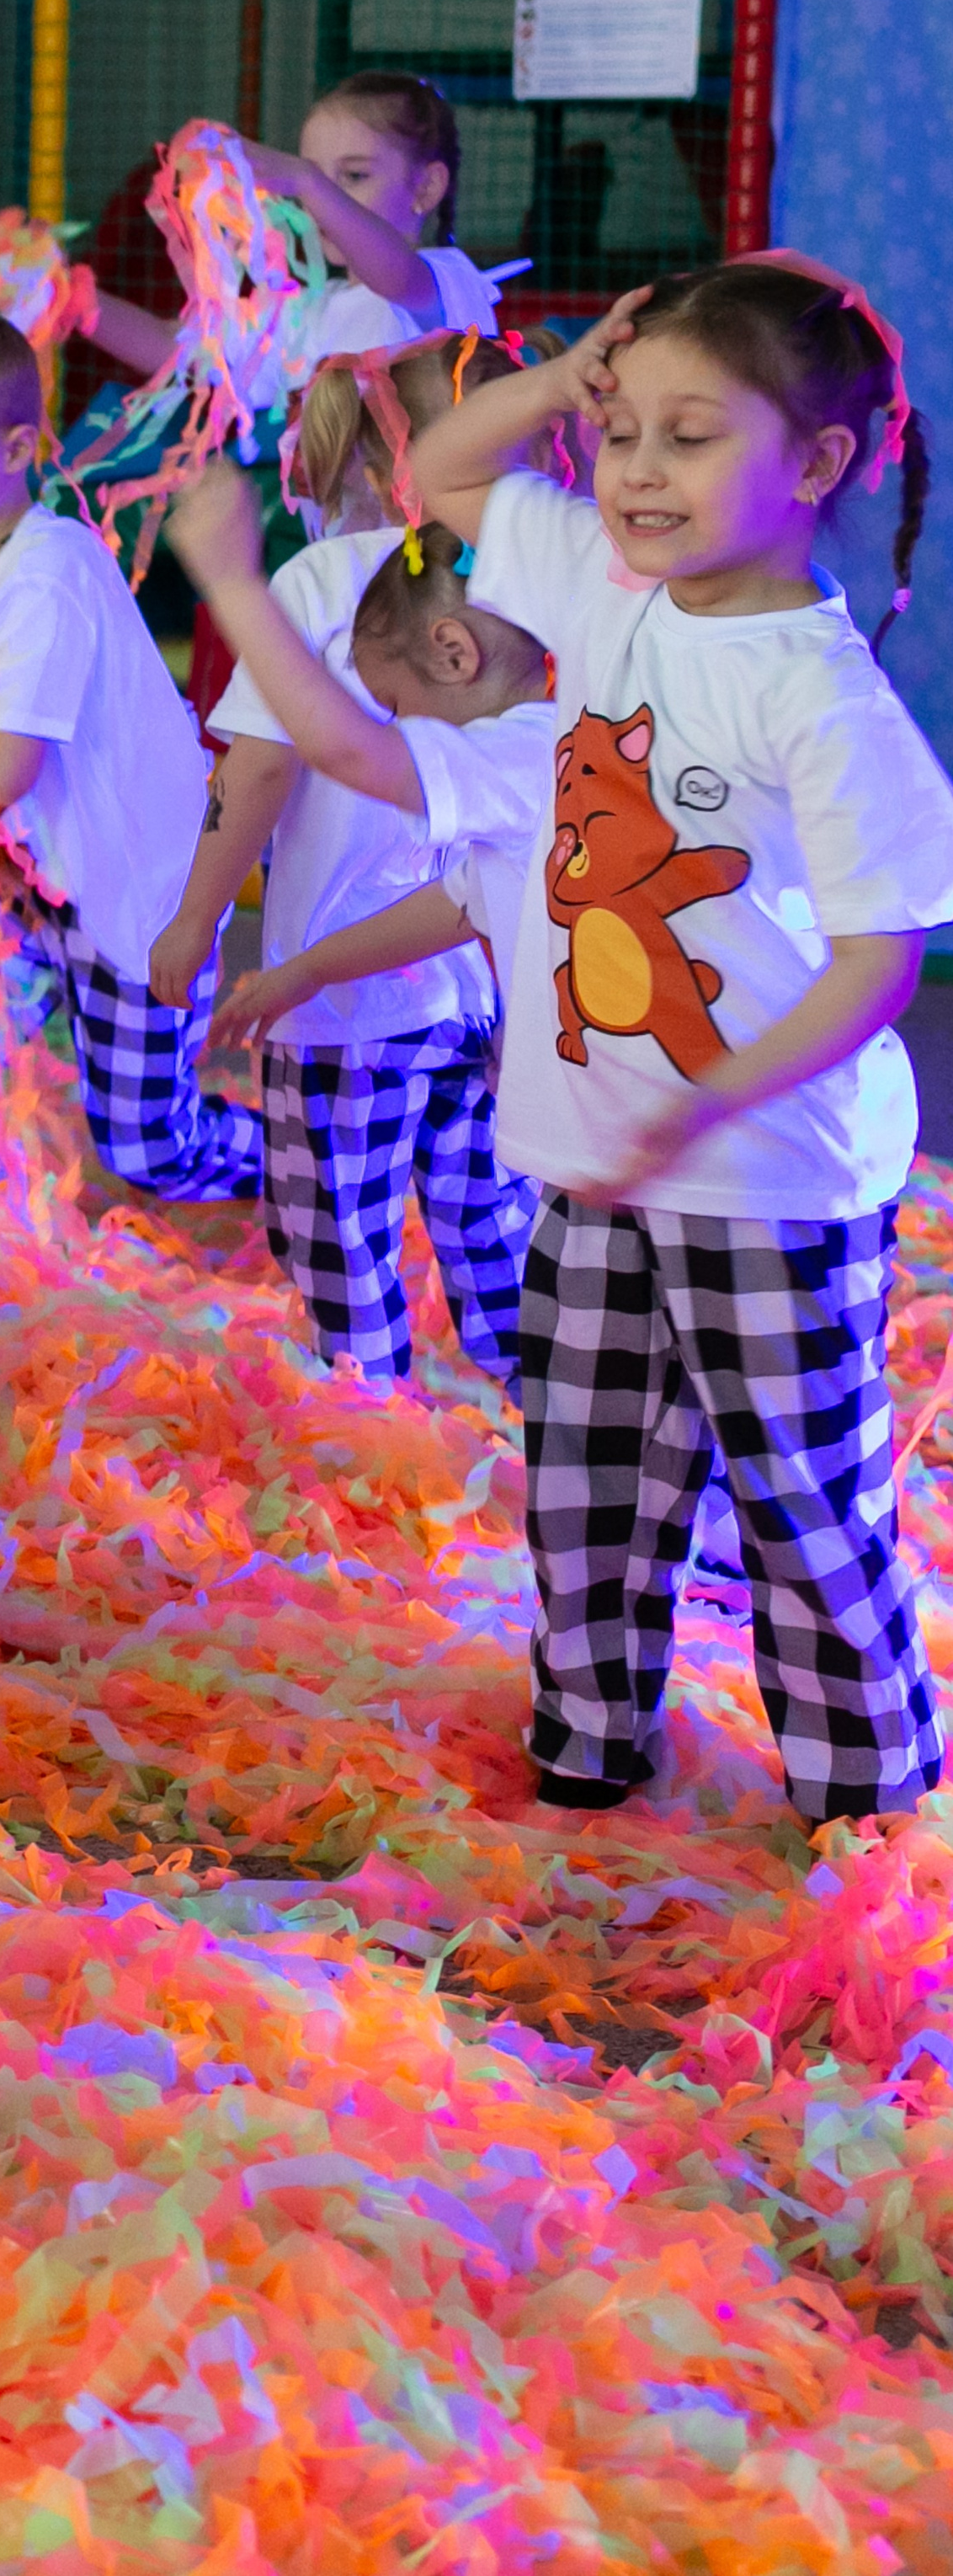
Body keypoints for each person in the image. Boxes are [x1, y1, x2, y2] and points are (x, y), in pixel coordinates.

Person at [411, 255, 951, 1823]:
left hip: (765, 1180)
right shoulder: (606, 588)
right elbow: (441, 468)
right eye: (623, 434)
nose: (639, 471)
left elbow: (879, 966)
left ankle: (867, 1800)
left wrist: (714, 1098)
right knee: (587, 1474)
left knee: (800, 1498)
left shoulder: (821, 698)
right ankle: (589, 1741)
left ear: (820, 463)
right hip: (596, 1162)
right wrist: (556, 380)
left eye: (691, 437)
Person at [166, 466, 549, 1388]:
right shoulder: (559, 693)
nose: (403, 728)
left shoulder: (331, 584)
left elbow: (315, 755)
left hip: (346, 1037)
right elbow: (456, 902)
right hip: (467, 1015)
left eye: (401, 708)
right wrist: (310, 970)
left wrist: (229, 581)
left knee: (339, 1240)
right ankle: (537, 1391)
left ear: (453, 655)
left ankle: (367, 1412)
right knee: (488, 1226)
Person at [0, 307, 259, 1199]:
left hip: (141, 899)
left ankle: (303, 1162)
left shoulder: (39, 584)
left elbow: (6, 773)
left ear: (16, 450)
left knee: (148, 1148)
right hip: (50, 886)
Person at [85, 71, 521, 390]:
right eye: (317, 177)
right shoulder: (311, 314)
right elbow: (176, 347)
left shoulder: (446, 282)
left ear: (426, 188)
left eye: (354, 176)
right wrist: (72, 295)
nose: (319, 200)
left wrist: (305, 179)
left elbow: (398, 275)